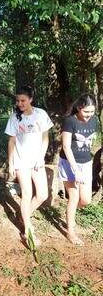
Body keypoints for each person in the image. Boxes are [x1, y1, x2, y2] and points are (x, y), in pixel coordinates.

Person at [5, 86, 53, 245]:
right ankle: (28, 230)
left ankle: (23, 214)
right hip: (21, 161)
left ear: (31, 99)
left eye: (23, 100)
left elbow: (45, 138)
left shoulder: (41, 114)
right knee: (27, 194)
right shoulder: (14, 118)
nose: (19, 103)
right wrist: (11, 162)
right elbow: (11, 141)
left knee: (42, 195)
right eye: (17, 100)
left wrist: (41, 157)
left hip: (37, 161)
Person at [59, 93, 98, 245]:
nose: (89, 115)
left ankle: (71, 214)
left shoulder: (94, 120)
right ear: (79, 108)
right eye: (86, 111)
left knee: (85, 200)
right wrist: (75, 169)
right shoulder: (70, 121)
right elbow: (66, 147)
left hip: (86, 163)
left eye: (92, 112)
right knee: (74, 198)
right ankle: (71, 232)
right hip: (69, 163)